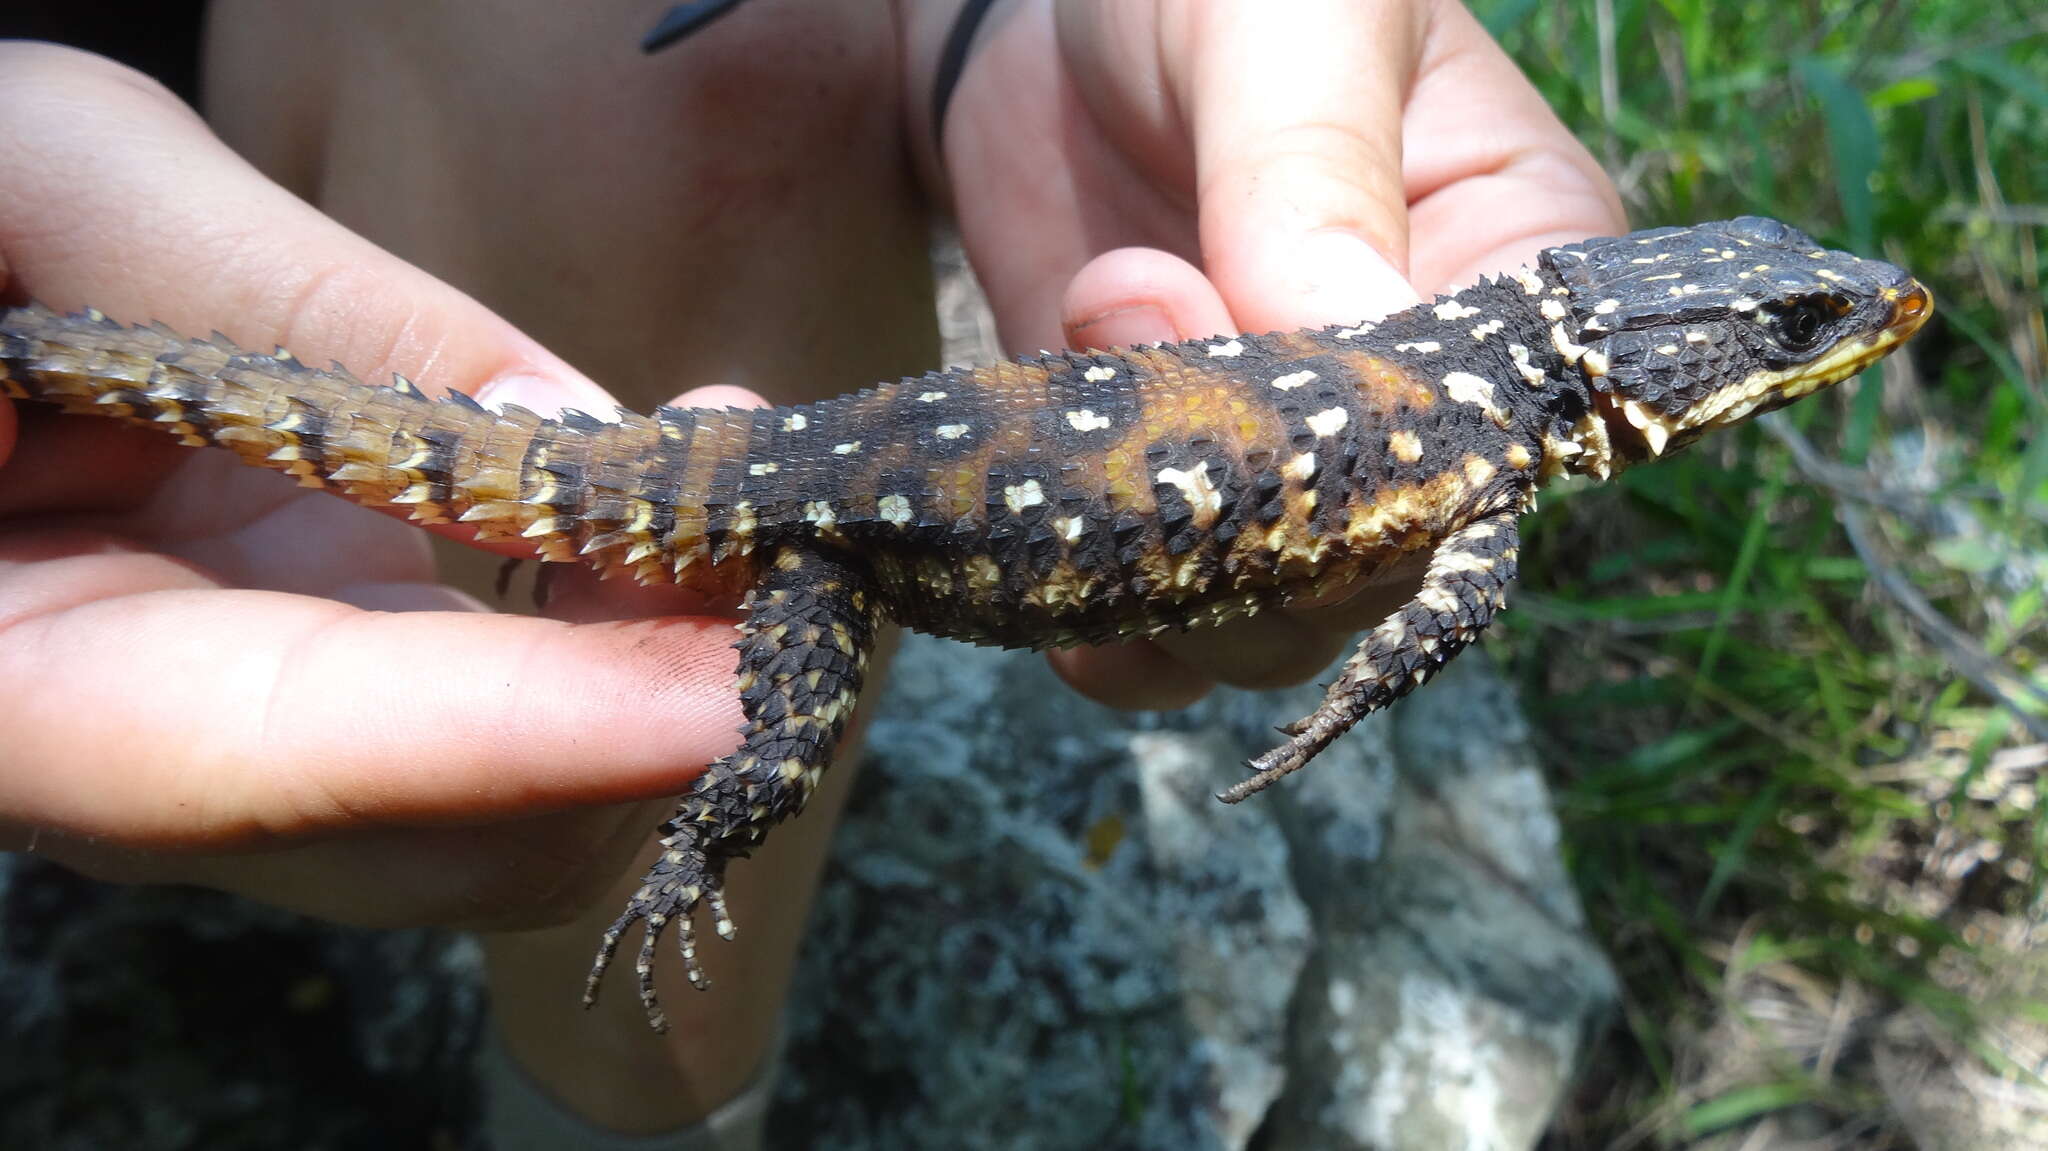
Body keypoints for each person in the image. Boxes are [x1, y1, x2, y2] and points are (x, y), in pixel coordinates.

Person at [0, 0, 1622, 1143]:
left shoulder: (1459, 407)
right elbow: (1434, 623)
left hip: (825, 480)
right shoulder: (1477, 476)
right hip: (823, 526)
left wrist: (1001, 27)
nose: (1840, 334)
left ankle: (621, 1090)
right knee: (753, 755)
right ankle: (662, 961)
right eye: (1783, 337)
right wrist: (1342, 709)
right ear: (1639, 372)